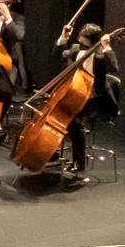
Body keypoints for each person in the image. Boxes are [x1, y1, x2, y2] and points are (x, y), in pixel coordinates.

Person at [50, 21, 118, 178]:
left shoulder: (101, 55)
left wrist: (108, 48)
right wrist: (62, 38)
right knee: (54, 113)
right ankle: (50, 152)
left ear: (91, 39)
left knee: (74, 122)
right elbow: (55, 55)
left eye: (83, 36)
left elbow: (114, 68)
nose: (79, 37)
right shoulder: (75, 49)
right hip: (74, 93)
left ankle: (79, 163)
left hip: (95, 98)